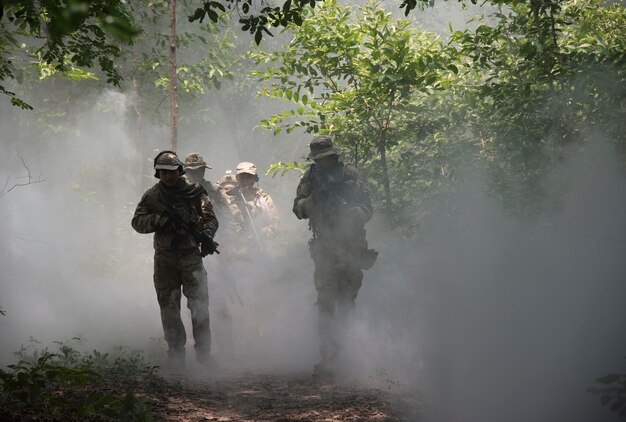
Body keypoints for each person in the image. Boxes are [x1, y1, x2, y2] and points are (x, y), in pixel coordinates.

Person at [292, 136, 377, 378]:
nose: (322, 162)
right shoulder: (310, 178)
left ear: (333, 155)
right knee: (326, 301)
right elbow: (297, 209)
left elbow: (368, 208)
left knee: (347, 302)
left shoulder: (350, 175)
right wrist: (311, 201)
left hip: (351, 245)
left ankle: (350, 356)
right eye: (318, 159)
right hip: (325, 247)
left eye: (325, 158)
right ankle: (328, 358)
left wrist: (351, 214)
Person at [132, 151, 219, 368]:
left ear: (180, 171)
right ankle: (176, 356)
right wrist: (158, 220)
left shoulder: (194, 193)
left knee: (199, 305)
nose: (168, 177)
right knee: (169, 307)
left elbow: (211, 219)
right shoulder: (152, 196)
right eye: (163, 173)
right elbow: (137, 222)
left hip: (191, 256)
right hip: (165, 259)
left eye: (172, 172)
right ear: (158, 173)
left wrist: (207, 235)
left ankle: (204, 354)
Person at [183, 153, 242, 233]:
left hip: (214, 234)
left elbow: (228, 217)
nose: (195, 174)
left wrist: (230, 236)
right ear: (186, 172)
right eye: (192, 172)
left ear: (203, 171)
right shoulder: (181, 191)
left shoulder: (215, 191)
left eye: (198, 171)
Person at [230, 161, 280, 249]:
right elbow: (227, 226)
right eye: (242, 177)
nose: (246, 181)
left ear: (255, 179)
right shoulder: (230, 199)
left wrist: (261, 233)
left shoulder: (264, 198)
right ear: (237, 178)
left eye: (249, 177)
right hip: (238, 250)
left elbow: (276, 224)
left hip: (264, 246)